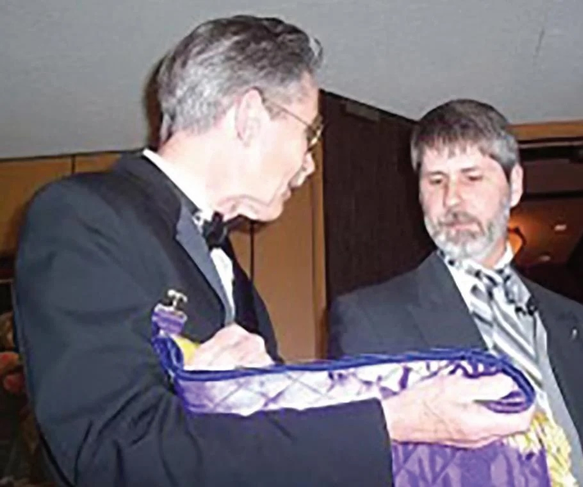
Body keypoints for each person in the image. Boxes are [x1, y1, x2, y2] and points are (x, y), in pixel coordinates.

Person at [13, 18, 533, 487]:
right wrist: (392, 420)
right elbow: (112, 452)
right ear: (250, 116)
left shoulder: (238, 282)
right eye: (309, 134)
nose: (308, 164)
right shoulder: (83, 214)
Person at [328, 99, 583, 486]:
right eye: (436, 180)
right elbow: (360, 469)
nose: (452, 199)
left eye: (471, 177)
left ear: (515, 186)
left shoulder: (580, 324)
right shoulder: (370, 319)